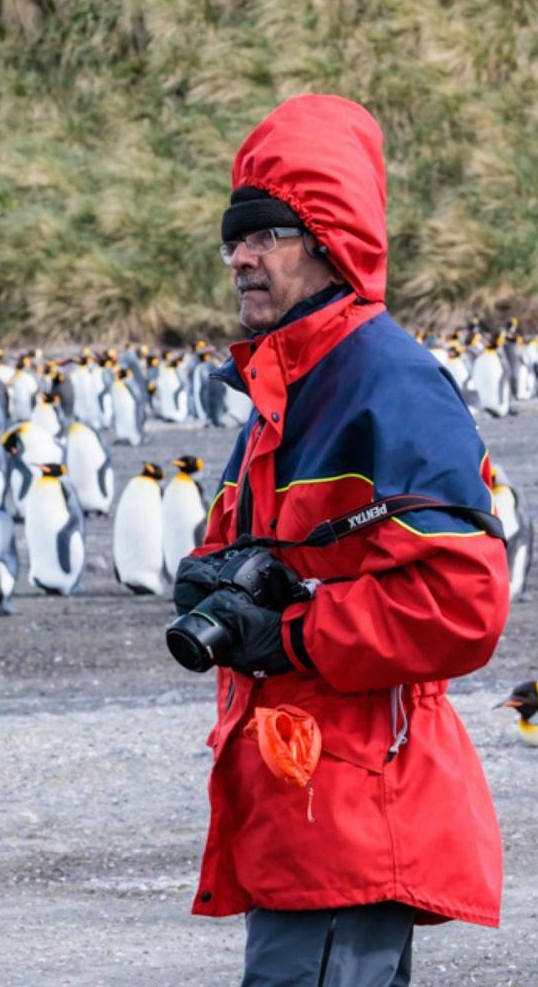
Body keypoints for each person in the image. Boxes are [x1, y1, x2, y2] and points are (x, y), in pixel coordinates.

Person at [170, 95, 509, 985]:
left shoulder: (387, 384)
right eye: (233, 239)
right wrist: (210, 581)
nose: (242, 258)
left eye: (267, 234)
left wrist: (286, 633)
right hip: (295, 799)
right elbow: (274, 555)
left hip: (353, 802)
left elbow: (462, 605)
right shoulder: (285, 385)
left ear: (329, 240)